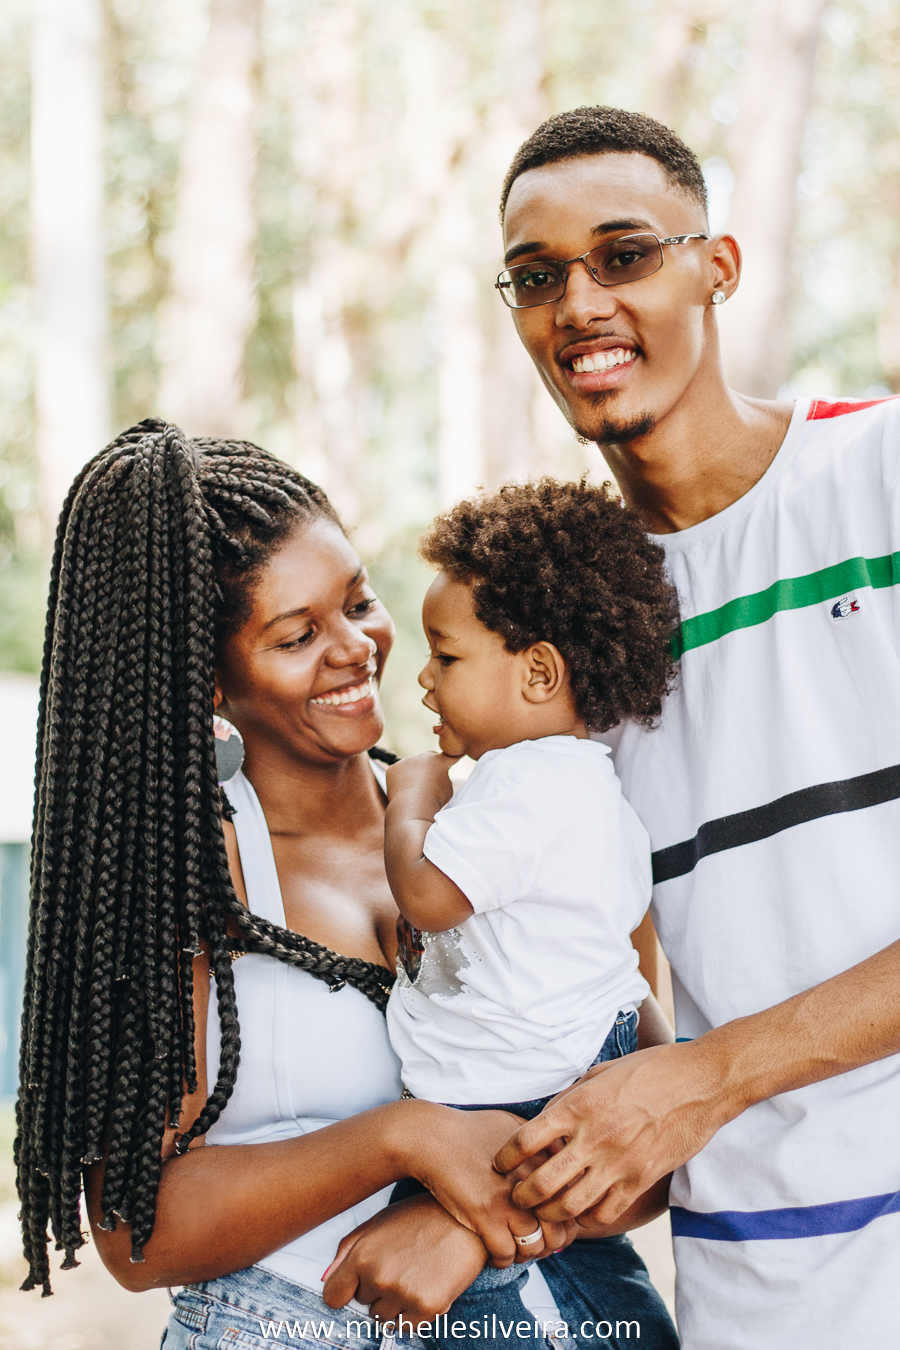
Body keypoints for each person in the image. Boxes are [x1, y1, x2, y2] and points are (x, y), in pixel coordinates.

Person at [15, 420, 585, 1346]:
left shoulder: (507, 814)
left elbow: (645, 1098)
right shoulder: (190, 872)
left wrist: (461, 1223)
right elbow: (135, 1236)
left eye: (357, 601)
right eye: (295, 636)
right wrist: (403, 1139)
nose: (356, 648)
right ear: (205, 680)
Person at [484, 106, 900, 1348]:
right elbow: (599, 1005)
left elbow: (682, 1076)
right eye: (537, 277)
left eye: (625, 255)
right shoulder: (565, 642)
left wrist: (705, 1081)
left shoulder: (878, 477)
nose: (580, 305)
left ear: (715, 267)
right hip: (765, 1297)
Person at [383, 479, 681, 1350]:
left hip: (522, 1094)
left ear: (540, 670)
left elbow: (427, 895)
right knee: (582, 1286)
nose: (425, 678)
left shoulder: (527, 783)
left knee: (508, 1311)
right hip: (554, 1067)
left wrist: (411, 800)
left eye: (447, 656)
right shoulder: (586, 788)